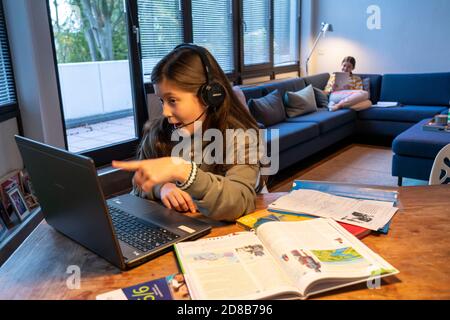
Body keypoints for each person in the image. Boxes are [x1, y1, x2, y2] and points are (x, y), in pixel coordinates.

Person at [112, 44, 263, 221]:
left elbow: (239, 200)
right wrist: (162, 188)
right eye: (162, 101)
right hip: (169, 229)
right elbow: (138, 184)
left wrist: (184, 171)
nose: (165, 112)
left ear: (210, 96)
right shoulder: (158, 133)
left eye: (172, 100)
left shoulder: (240, 137)